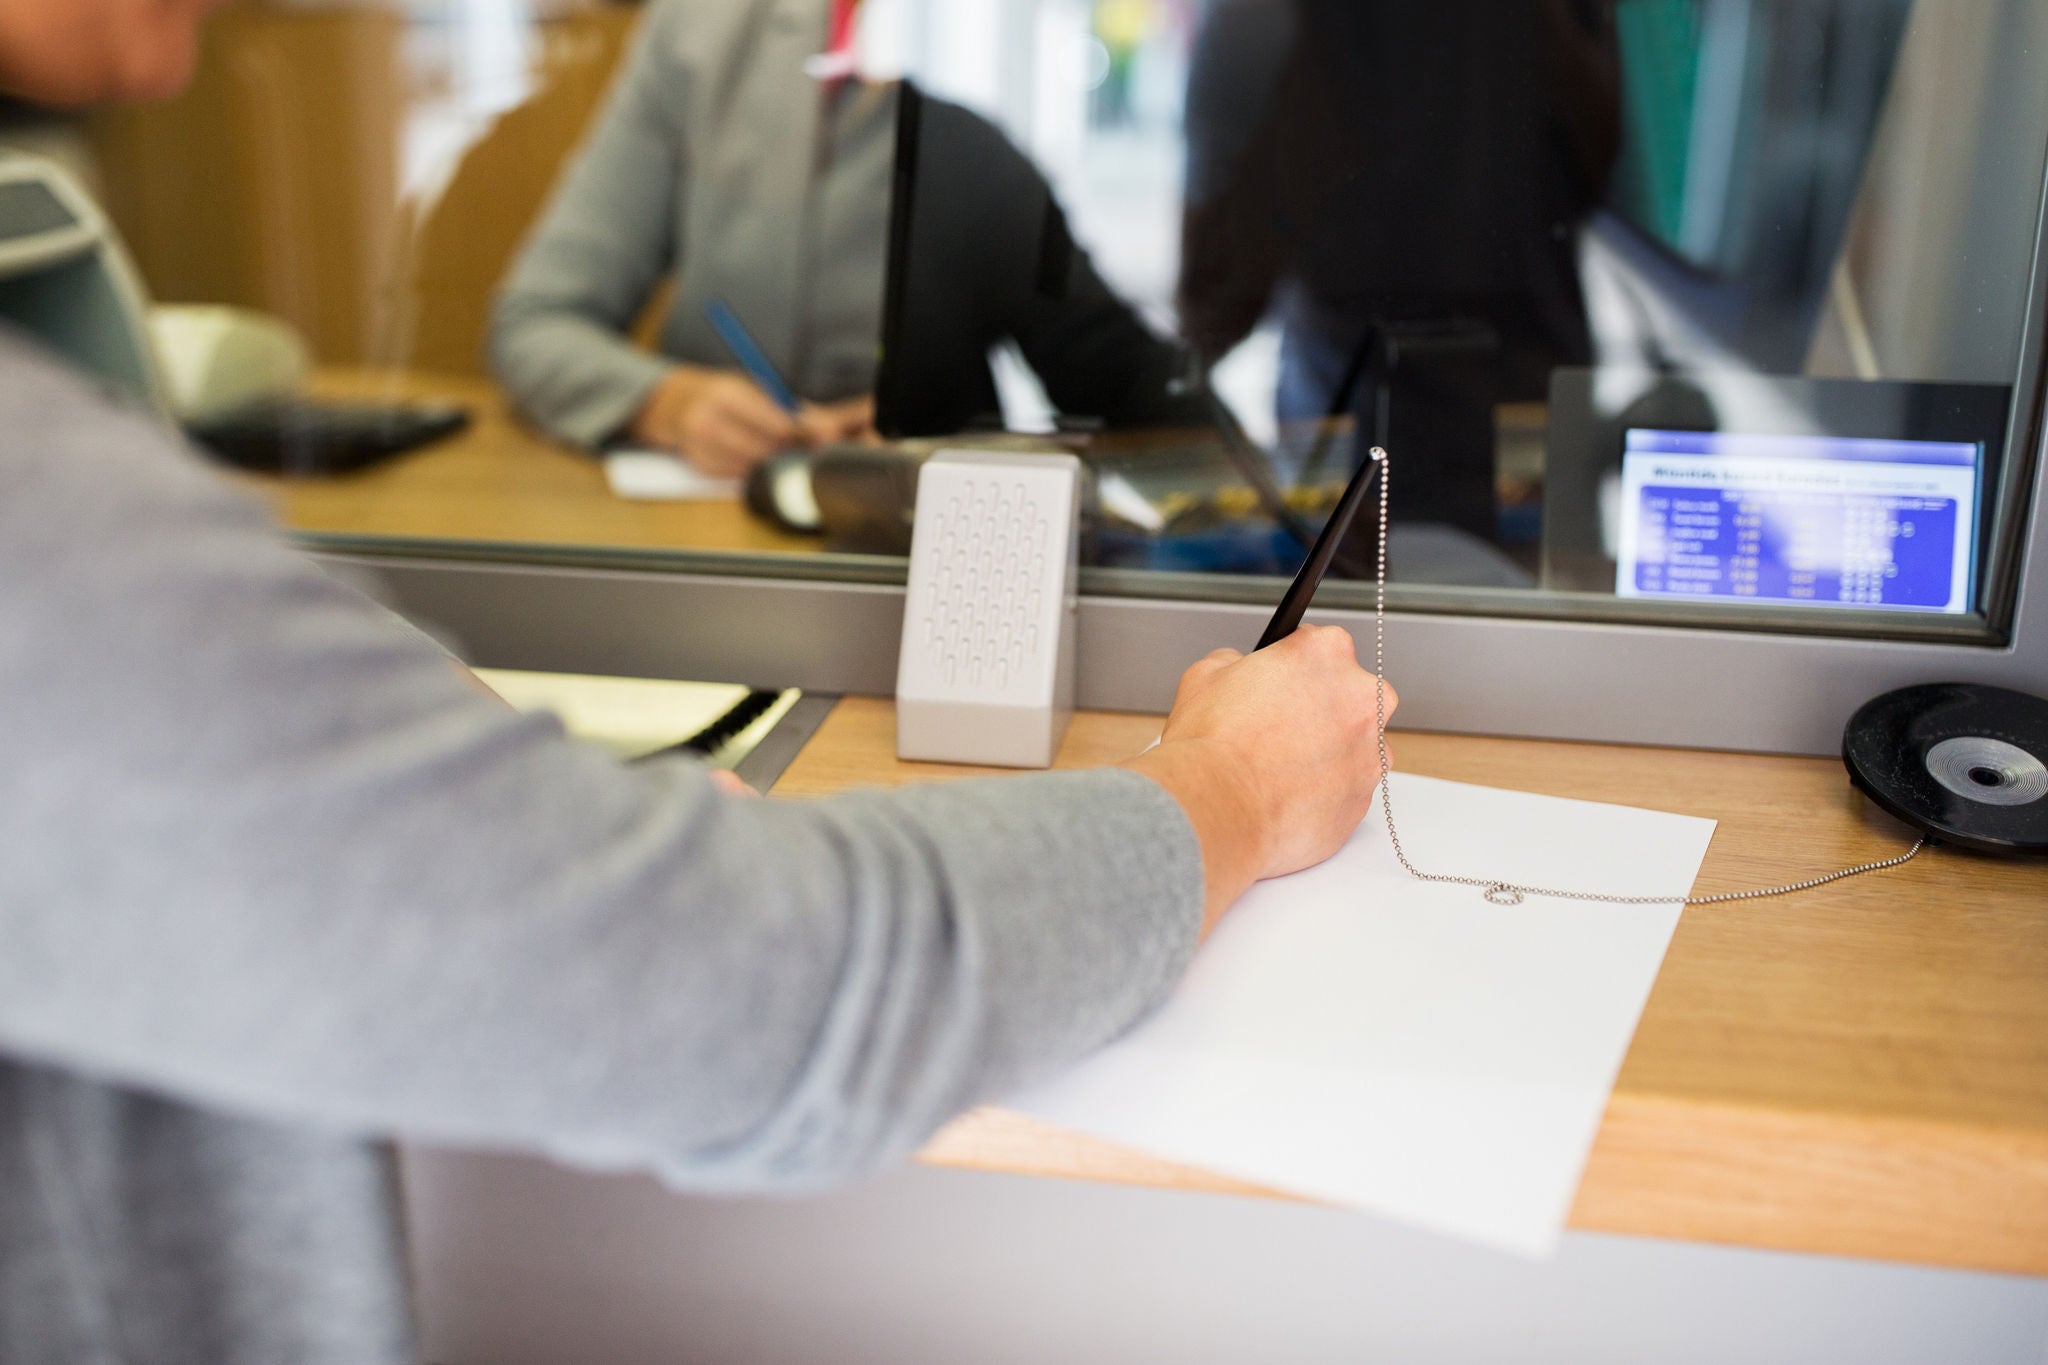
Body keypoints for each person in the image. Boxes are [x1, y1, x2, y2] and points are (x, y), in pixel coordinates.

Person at [0, 3, 1395, 1362]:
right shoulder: (41, 523)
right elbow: (775, 987)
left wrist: (466, 768)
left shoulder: (963, 156)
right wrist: (1234, 786)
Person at [490, 0, 1201, 474]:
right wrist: (665, 402)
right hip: (706, 543)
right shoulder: (700, 40)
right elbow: (535, 321)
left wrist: (936, 448)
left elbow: (1126, 379)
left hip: (919, 565)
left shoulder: (971, 87)